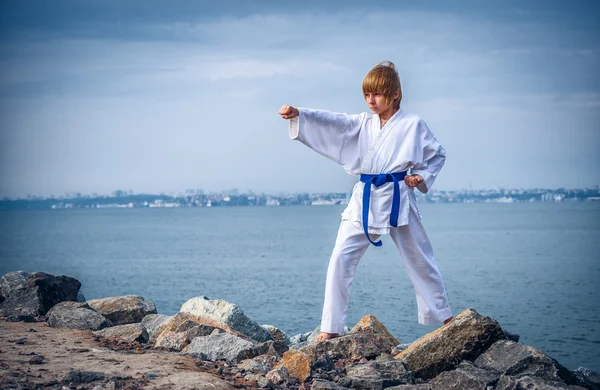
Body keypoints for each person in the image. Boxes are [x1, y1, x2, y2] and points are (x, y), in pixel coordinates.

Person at [279, 61, 453, 342]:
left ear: (395, 94)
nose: (371, 101)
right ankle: (330, 327)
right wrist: (301, 114)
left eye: (378, 95)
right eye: (367, 95)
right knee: (340, 258)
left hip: (399, 197)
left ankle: (446, 318)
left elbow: (437, 154)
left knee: (419, 257)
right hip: (366, 197)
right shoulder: (363, 122)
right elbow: (334, 122)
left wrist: (419, 176)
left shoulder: (413, 125)